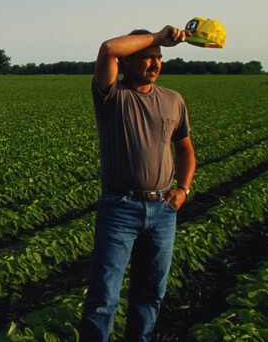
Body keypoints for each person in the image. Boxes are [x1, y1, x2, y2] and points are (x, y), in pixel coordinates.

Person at [78, 26, 197, 342]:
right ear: (126, 62)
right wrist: (158, 37)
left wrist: (183, 189)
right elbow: (108, 48)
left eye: (158, 58)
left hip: (163, 210)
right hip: (120, 207)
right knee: (104, 297)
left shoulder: (173, 100)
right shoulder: (111, 96)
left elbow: (185, 149)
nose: (155, 63)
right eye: (146, 57)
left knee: (150, 294)